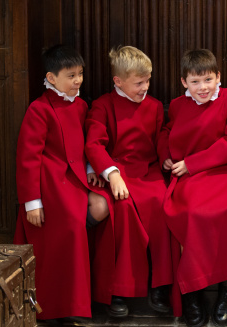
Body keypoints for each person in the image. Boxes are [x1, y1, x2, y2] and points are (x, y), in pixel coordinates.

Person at [14, 44, 109, 322]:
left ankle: (74, 303)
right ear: (52, 78)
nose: (78, 80)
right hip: (50, 185)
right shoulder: (39, 109)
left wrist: (91, 168)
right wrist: (32, 202)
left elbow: (85, 144)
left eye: (80, 74)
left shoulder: (80, 105)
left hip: (76, 180)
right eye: (70, 75)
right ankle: (53, 308)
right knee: (68, 227)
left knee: (101, 211)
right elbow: (28, 158)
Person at [158, 49, 227, 327]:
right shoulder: (176, 105)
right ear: (184, 82)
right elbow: (166, 131)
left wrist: (193, 162)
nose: (203, 88)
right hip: (189, 178)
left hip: (223, 171)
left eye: (208, 80)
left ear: (218, 77)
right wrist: (166, 156)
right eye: (195, 82)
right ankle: (191, 292)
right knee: (192, 214)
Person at [85, 46, 172, 317]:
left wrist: (168, 157)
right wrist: (112, 174)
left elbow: (161, 139)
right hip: (117, 172)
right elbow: (94, 144)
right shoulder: (102, 105)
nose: (145, 87)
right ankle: (119, 288)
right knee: (122, 210)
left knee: (161, 206)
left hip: (148, 172)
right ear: (118, 81)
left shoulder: (156, 106)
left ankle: (161, 284)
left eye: (147, 81)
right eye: (138, 83)